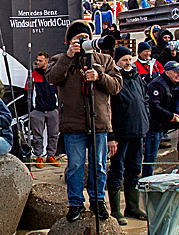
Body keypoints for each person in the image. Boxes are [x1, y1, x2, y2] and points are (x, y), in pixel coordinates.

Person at [47, 20, 123, 222]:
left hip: (99, 123)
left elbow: (116, 86)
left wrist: (99, 76)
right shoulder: (60, 59)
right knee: (75, 166)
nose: (82, 42)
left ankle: (98, 201)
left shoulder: (104, 60)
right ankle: (75, 203)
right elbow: (52, 78)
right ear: (68, 41)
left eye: (85, 38)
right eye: (77, 39)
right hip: (73, 124)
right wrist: (69, 56)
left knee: (99, 166)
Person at [106, 45, 149, 223]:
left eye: (130, 59)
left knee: (135, 168)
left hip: (139, 130)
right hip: (121, 132)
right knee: (117, 169)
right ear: (117, 61)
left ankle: (132, 207)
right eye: (124, 60)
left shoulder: (137, 77)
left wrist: (146, 119)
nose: (128, 62)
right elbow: (107, 108)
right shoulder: (113, 79)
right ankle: (116, 210)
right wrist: (111, 136)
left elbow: (145, 99)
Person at [144, 61, 179, 173]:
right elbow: (153, 106)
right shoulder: (158, 85)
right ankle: (147, 178)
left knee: (152, 156)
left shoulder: (172, 84)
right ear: (167, 72)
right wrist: (170, 116)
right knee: (150, 156)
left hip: (161, 125)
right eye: (176, 72)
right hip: (154, 126)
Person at [28, 52, 60, 169]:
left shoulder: (53, 75)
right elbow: (28, 91)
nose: (37, 62)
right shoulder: (33, 74)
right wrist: (31, 108)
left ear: (46, 62)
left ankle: (51, 155)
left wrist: (58, 107)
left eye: (40, 61)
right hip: (38, 110)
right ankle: (39, 156)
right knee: (37, 135)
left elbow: (59, 91)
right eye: (37, 60)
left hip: (52, 109)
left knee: (54, 134)